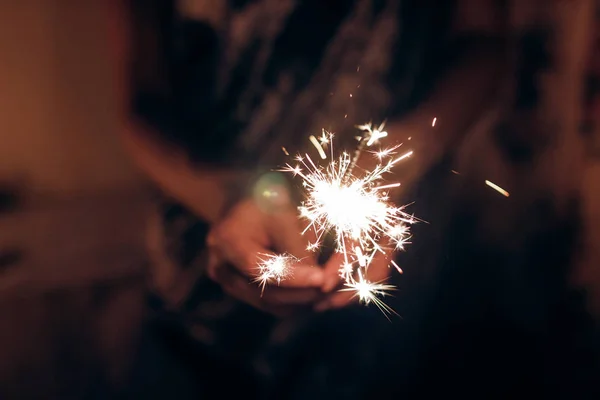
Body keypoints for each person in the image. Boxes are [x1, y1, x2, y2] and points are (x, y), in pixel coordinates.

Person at [110, 0, 506, 397]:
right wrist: (228, 197)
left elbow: (484, 45)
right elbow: (140, 102)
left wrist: (397, 156)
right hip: (191, 307)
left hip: (379, 320)